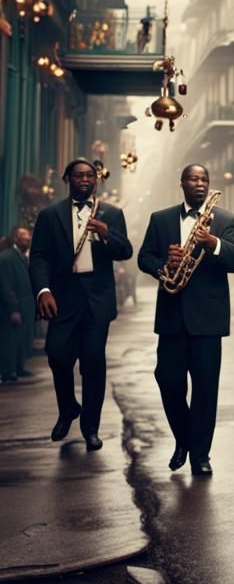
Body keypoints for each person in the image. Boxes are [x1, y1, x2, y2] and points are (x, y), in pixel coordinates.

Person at [137, 165, 234, 476]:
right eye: (194, 179)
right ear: (182, 183)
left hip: (208, 320)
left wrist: (213, 244)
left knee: (205, 389)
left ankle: (200, 455)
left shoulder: (226, 220)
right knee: (168, 381)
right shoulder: (160, 219)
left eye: (204, 180)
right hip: (172, 316)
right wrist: (163, 265)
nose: (200, 184)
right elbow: (144, 257)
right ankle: (184, 438)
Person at [30, 159, 133, 450]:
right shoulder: (50, 215)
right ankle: (67, 408)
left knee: (92, 363)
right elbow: (39, 256)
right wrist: (43, 291)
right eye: (79, 175)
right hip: (63, 297)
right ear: (68, 179)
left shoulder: (112, 213)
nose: (85, 180)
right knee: (57, 355)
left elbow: (125, 251)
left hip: (97, 300)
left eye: (90, 175)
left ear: (96, 180)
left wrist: (106, 234)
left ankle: (91, 428)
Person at [1, 226, 34, 382]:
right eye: (23, 235)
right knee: (10, 340)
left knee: (21, 339)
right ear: (15, 238)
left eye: (28, 236)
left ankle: (18, 368)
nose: (27, 238)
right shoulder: (7, 258)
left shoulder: (22, 257)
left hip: (25, 307)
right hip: (13, 308)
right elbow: (6, 286)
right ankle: (9, 371)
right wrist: (13, 309)